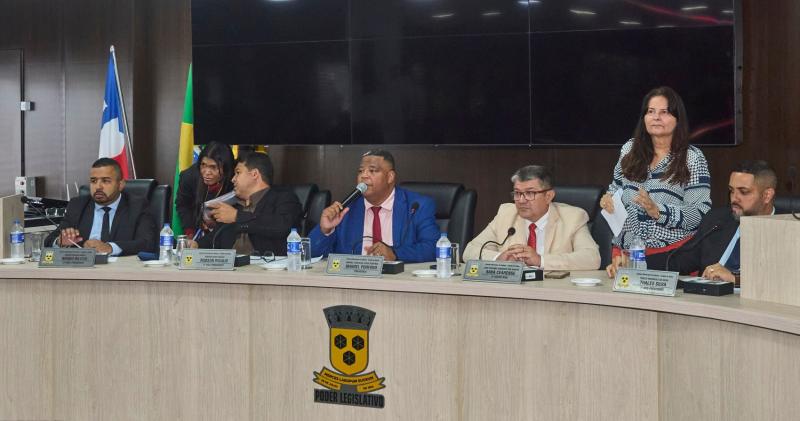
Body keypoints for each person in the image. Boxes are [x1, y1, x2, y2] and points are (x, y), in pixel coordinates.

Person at [601, 86, 712, 277]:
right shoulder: (629, 150)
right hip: (626, 253)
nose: (656, 117)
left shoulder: (692, 158)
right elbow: (616, 188)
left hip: (671, 256)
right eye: (651, 111)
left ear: (677, 119)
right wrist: (608, 198)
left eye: (664, 112)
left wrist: (658, 211)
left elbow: (700, 213)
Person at [650, 160, 777, 284]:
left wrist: (736, 279)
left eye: (743, 192)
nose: (734, 198)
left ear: (767, 195)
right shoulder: (718, 220)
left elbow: (781, 278)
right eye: (731, 190)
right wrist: (640, 263)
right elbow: (679, 260)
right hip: (709, 296)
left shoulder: (784, 231)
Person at [308, 149, 439, 262]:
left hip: (400, 280)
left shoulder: (417, 206)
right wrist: (325, 230)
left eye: (372, 170)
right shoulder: (346, 209)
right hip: (354, 280)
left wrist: (395, 254)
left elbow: (434, 248)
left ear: (390, 177)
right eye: (360, 171)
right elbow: (310, 254)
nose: (364, 176)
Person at [462, 165, 601, 269]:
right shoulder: (506, 214)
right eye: (517, 193)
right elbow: (469, 251)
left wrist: (541, 260)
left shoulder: (573, 217)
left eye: (530, 193)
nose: (521, 200)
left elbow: (592, 258)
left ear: (548, 196)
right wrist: (498, 258)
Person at [188, 152, 302, 255]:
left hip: (268, 267)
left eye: (238, 173)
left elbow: (283, 226)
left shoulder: (284, 198)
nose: (233, 179)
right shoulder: (235, 205)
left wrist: (237, 216)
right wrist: (197, 244)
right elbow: (215, 237)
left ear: (254, 174)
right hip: (230, 266)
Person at [44, 158, 156, 256]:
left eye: (106, 181)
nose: (98, 186)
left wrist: (110, 248)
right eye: (93, 181)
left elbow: (148, 243)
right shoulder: (78, 205)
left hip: (121, 269)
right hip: (83, 268)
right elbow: (49, 240)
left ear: (120, 184)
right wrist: (60, 242)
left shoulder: (137, 206)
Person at [175, 141, 235, 239]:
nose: (206, 172)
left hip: (229, 232)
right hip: (197, 230)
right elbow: (183, 205)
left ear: (226, 168)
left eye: (213, 167)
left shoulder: (235, 178)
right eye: (203, 165)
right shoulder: (188, 177)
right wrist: (190, 232)